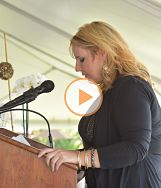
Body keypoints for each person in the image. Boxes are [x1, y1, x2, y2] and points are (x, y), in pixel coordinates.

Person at [38, 21, 161, 188]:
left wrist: (78, 157)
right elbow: (103, 150)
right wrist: (65, 158)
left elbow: (135, 148)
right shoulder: (105, 93)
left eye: (82, 59)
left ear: (102, 53)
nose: (76, 67)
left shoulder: (132, 87)